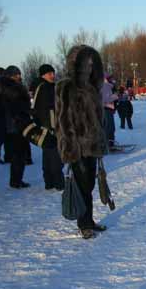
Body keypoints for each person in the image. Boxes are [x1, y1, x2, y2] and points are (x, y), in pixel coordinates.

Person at [55, 45, 109, 239]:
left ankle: (89, 220)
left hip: (92, 146)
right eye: (86, 63)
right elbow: (62, 121)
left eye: (92, 62)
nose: (90, 66)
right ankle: (83, 223)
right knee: (81, 186)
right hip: (77, 146)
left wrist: (100, 140)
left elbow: (97, 119)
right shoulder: (66, 86)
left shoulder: (93, 87)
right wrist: (69, 147)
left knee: (89, 186)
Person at [31, 64, 65, 190]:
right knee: (55, 156)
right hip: (51, 126)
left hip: (45, 126)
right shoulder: (46, 88)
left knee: (47, 155)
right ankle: (58, 183)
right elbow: (50, 109)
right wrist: (53, 126)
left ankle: (49, 182)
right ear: (43, 75)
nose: (52, 76)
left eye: (53, 73)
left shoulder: (40, 86)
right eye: (49, 73)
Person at [100, 74, 118, 147]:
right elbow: (105, 100)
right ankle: (108, 144)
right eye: (110, 78)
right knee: (109, 127)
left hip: (108, 109)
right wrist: (115, 96)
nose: (113, 80)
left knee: (110, 127)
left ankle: (109, 143)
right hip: (106, 109)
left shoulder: (108, 86)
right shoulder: (105, 86)